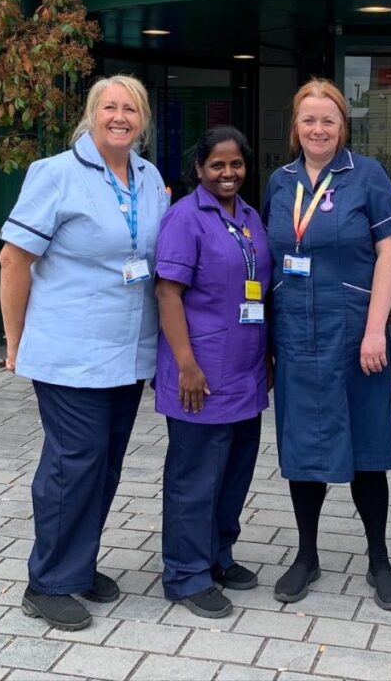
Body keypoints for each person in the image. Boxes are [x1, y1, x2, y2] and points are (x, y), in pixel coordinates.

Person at [0, 75, 168, 631]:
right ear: (92, 114)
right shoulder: (55, 174)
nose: (120, 117)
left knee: (104, 463)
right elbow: (13, 260)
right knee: (73, 463)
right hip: (69, 351)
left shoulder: (149, 178)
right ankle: (47, 582)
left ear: (142, 120)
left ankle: (77, 565)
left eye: (131, 109)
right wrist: (15, 340)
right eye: (110, 107)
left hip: (128, 350)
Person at [262, 78, 391, 610]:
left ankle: (379, 559)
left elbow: (390, 254)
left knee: (368, 448)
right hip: (296, 337)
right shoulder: (280, 182)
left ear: (343, 126)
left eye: (328, 120)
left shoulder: (367, 175)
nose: (318, 129)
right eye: (309, 120)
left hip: (355, 337)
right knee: (303, 447)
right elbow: (270, 257)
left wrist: (374, 329)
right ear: (295, 126)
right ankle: (306, 556)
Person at [153, 126, 272, 619]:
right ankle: (186, 574)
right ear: (199, 168)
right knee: (195, 478)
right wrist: (186, 364)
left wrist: (267, 357)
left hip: (245, 371)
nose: (228, 173)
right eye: (217, 165)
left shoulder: (249, 216)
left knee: (234, 473)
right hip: (200, 373)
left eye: (236, 164)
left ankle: (219, 554)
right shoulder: (185, 217)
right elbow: (167, 292)